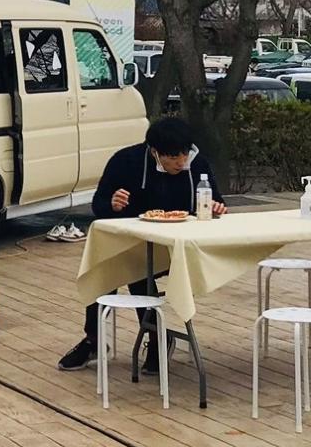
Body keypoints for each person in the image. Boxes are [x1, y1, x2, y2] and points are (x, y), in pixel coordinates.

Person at [58, 114, 224, 371]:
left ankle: (156, 338)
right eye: (173, 157)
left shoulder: (197, 163)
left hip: (181, 247)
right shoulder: (126, 161)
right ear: (155, 152)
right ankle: (96, 339)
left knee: (136, 269)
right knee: (107, 266)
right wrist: (112, 204)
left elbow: (217, 201)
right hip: (134, 244)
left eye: (184, 155)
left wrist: (215, 207)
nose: (181, 162)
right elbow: (98, 205)